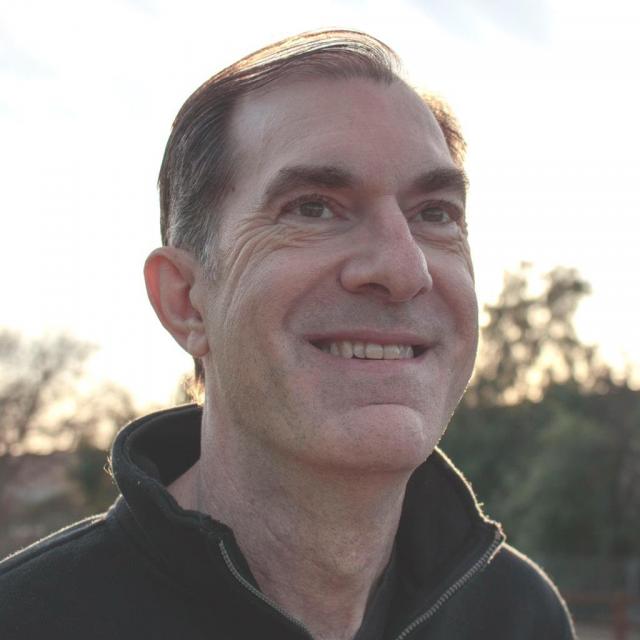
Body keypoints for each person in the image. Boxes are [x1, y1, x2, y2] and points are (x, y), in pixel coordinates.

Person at [0, 30, 575, 639]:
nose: (404, 269)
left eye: (435, 214)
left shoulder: (520, 616)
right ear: (185, 301)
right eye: (313, 207)